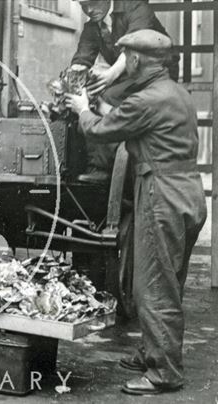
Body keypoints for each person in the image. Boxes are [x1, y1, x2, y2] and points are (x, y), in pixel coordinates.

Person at [66, 29, 207, 395]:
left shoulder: (146, 100)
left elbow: (100, 131)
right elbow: (132, 121)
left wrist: (82, 108)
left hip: (162, 195)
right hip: (186, 192)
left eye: (126, 56)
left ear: (139, 60)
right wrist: (99, 105)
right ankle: (149, 352)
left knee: (154, 287)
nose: (121, 62)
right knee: (165, 279)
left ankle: (164, 373)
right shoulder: (175, 93)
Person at [71, 0, 178, 184]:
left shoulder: (136, 7)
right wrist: (71, 83)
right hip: (130, 71)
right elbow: (82, 59)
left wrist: (109, 76)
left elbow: (132, 49)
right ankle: (93, 163)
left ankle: (103, 168)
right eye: (83, 6)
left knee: (107, 96)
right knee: (90, 97)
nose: (89, 10)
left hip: (156, 72)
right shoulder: (92, 26)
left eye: (93, 3)